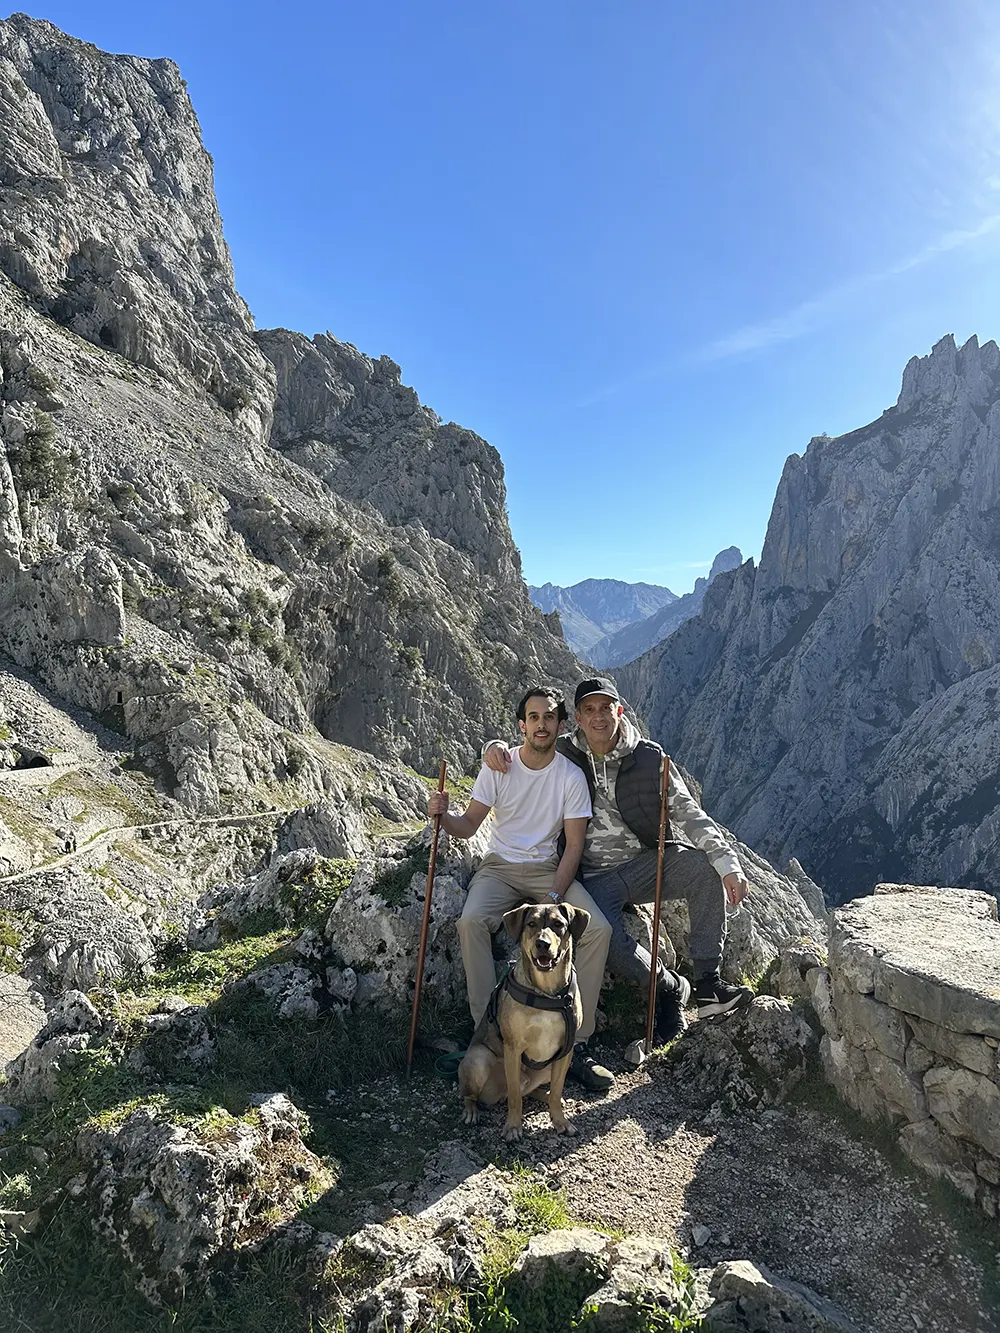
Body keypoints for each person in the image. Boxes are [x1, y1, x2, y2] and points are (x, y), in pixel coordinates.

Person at [483, 676, 752, 1060]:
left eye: (605, 708)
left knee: (703, 869)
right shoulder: (564, 754)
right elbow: (523, 749)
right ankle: (667, 986)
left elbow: (690, 814)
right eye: (588, 710)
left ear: (619, 711)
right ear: (575, 718)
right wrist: (491, 748)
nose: (598, 717)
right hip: (593, 875)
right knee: (604, 938)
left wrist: (728, 864)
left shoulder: (650, 759)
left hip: (646, 862)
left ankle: (708, 984)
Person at [428, 686, 615, 1091]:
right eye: (533, 717)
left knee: (598, 928)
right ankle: (487, 1030)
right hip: (499, 867)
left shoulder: (569, 776)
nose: (541, 724)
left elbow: (575, 846)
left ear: (561, 725)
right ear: (521, 725)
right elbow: (468, 827)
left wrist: (552, 897)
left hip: (548, 869)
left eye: (549, 717)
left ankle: (576, 1040)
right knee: (472, 922)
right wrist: (443, 816)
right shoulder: (499, 766)